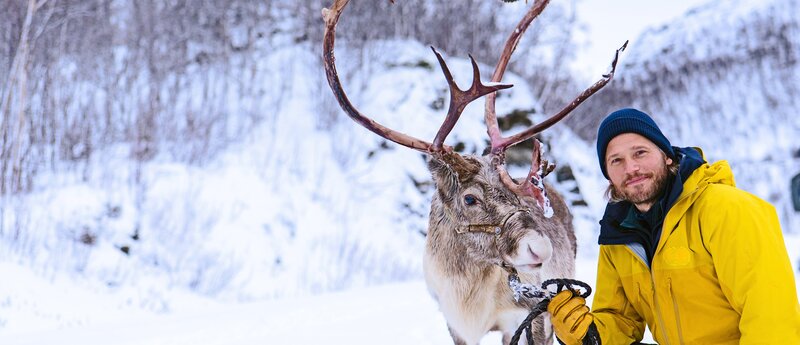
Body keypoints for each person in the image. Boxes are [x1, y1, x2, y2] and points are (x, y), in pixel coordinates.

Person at [546, 108, 800, 344]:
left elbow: (771, 316)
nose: (631, 168)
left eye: (640, 153)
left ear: (666, 156)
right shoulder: (618, 234)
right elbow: (620, 320)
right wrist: (587, 334)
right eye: (616, 161)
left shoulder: (725, 209)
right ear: (609, 176)